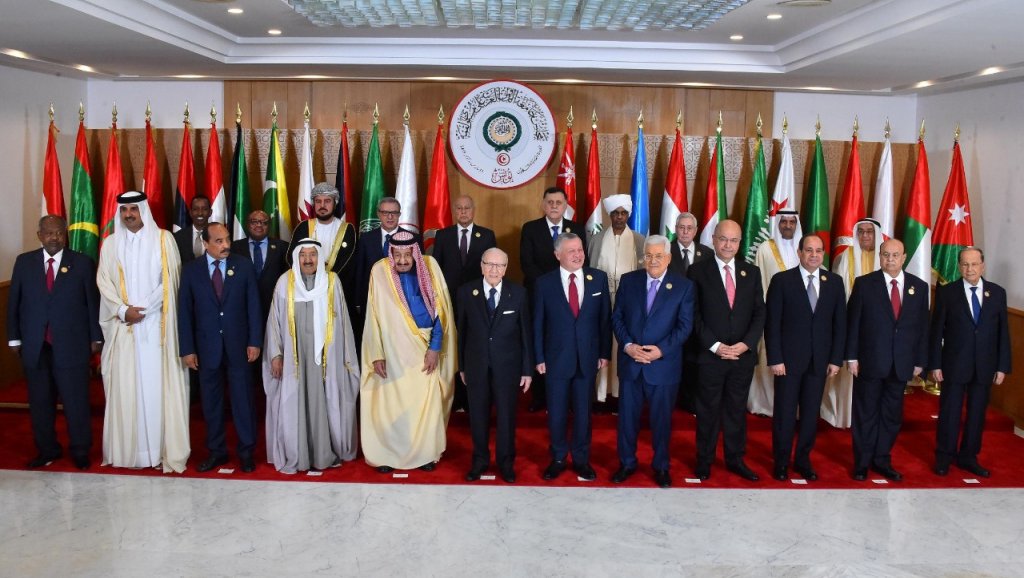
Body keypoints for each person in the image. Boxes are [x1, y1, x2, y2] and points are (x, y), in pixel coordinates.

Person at [97, 191, 190, 472]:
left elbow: (170, 280)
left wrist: (144, 309)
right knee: (127, 390)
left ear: (143, 211)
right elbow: (104, 281)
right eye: (124, 210)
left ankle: (158, 451)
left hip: (155, 327)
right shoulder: (110, 244)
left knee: (155, 390)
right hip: (123, 328)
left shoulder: (163, 239)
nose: (128, 215)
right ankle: (130, 453)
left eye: (133, 209)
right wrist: (123, 310)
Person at [7, 215, 101, 470]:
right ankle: (47, 450)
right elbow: (14, 302)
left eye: (59, 233)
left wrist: (96, 337)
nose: (54, 238)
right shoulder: (24, 262)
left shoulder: (82, 263)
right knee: (40, 403)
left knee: (76, 402)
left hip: (72, 345)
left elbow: (92, 303)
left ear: (65, 234)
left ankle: (80, 450)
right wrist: (14, 337)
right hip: (35, 346)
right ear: (39, 235)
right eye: (48, 233)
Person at [263, 239, 361, 474]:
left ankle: (323, 454)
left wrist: (345, 356)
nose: (308, 260)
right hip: (294, 361)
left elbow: (343, 322)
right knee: (295, 403)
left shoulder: (331, 282)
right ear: (296, 258)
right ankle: (299, 455)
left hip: (325, 360)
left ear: (320, 257)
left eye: (312, 255)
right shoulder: (285, 282)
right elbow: (274, 323)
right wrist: (276, 354)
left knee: (323, 403)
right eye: (303, 255)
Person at [360, 231, 455, 472]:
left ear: (415, 254)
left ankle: (425, 454)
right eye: (397, 255)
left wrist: (435, 348)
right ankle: (388, 455)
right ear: (390, 254)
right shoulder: (379, 271)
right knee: (391, 404)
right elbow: (373, 315)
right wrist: (376, 353)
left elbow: (441, 314)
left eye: (407, 255)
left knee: (425, 404)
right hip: (391, 351)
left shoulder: (430, 268)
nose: (402, 260)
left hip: (424, 349)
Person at [610, 235, 694, 488]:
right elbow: (617, 318)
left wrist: (661, 351)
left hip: (663, 366)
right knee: (627, 420)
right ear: (643, 257)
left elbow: (685, 326)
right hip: (632, 363)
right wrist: (628, 346)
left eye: (658, 256)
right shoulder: (629, 281)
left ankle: (661, 466)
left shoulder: (683, 286)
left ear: (668, 258)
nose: (653, 260)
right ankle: (626, 463)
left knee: (661, 421)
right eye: (648, 255)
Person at [178, 222, 263, 473]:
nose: (225, 245)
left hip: (239, 346)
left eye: (227, 239)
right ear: (205, 243)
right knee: (211, 403)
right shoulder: (191, 270)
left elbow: (254, 306)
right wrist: (187, 349)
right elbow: (185, 312)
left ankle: (246, 452)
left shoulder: (243, 265)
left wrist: (254, 341)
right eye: (218, 241)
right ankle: (217, 452)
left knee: (243, 401)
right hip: (206, 348)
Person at [687, 219, 766, 482]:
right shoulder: (697, 271)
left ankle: (735, 459)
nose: (728, 245)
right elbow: (694, 314)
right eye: (723, 239)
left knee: (736, 411)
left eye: (733, 240)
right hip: (710, 356)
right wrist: (716, 346)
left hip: (741, 357)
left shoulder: (751, 272)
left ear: (740, 242)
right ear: (713, 239)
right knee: (707, 412)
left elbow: (759, 313)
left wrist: (746, 344)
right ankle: (704, 461)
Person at [764, 234, 846, 482]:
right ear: (799, 253)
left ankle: (802, 460)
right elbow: (772, 324)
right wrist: (775, 358)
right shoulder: (782, 281)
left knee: (811, 415)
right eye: (809, 250)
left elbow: (840, 325)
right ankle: (781, 462)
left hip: (819, 362)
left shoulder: (834, 282)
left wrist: (836, 359)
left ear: (823, 254)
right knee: (785, 414)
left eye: (818, 251)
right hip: (787, 363)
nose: (814, 255)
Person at [847, 238, 929, 481]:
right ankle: (862, 462)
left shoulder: (919, 287)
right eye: (886, 255)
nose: (890, 259)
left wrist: (920, 360)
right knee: (866, 414)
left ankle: (881, 459)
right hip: (870, 361)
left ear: (904, 258)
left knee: (892, 416)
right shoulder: (864, 284)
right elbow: (853, 323)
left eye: (895, 255)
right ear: (880, 256)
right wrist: (851, 356)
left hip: (901, 363)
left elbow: (923, 327)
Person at [532, 232, 611, 481]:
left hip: (588, 358)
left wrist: (604, 353)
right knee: (556, 413)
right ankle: (557, 458)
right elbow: (538, 324)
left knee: (583, 413)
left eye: (580, 250)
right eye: (571, 251)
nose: (578, 255)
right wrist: (539, 357)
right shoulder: (544, 283)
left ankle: (581, 459)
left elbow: (605, 320)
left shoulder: (598, 279)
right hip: (555, 360)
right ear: (558, 255)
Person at [928, 247, 1011, 478]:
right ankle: (944, 457)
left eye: (974, 264)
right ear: (958, 266)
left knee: (977, 415)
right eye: (965, 264)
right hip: (953, 364)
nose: (970, 269)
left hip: (985, 365)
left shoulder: (997, 293)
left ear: (982, 266)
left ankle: (968, 457)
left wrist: (1002, 366)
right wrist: (935, 364)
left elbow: (1003, 332)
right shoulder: (947, 293)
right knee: (950, 413)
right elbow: (936, 331)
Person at [456, 248, 532, 483]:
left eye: (499, 266)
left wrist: (527, 370)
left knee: (506, 417)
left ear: (506, 269)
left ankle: (506, 463)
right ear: (481, 265)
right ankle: (479, 461)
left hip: (508, 367)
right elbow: (461, 332)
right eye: (489, 264)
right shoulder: (466, 292)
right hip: (476, 366)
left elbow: (526, 334)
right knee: (478, 416)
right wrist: (462, 366)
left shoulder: (518, 293)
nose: (494, 270)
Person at [519, 186, 585, 412]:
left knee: (566, 342)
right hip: (539, 295)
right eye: (550, 202)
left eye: (559, 202)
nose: (554, 206)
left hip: (570, 297)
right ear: (543, 204)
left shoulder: (577, 229)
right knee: (540, 342)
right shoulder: (530, 228)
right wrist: (551, 286)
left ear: (565, 205)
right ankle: (540, 397)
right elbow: (526, 263)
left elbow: (581, 260)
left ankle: (568, 396)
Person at [431, 194, 497, 413]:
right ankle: (455, 397)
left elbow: (492, 271)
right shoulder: (443, 235)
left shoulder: (486, 235)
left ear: (473, 210)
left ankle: (473, 398)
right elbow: (436, 270)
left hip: (477, 303)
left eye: (467, 208)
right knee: (453, 348)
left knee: (474, 348)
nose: (463, 212)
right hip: (449, 302)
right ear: (454, 210)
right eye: (459, 208)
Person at [822, 218, 883, 429]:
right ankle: (845, 415)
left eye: (869, 232)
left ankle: (871, 417)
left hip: (878, 329)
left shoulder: (885, 258)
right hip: (851, 323)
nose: (865, 236)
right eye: (861, 232)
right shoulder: (845, 257)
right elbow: (838, 295)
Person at [588, 194, 645, 413]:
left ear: (628, 215)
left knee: (623, 343)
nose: (619, 217)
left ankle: (621, 394)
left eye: (623, 213)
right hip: (601, 301)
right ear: (609, 215)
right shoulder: (597, 239)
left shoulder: (639, 240)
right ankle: (600, 394)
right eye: (615, 213)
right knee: (601, 342)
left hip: (628, 304)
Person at [748, 209, 802, 417]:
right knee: (769, 358)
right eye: (783, 221)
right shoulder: (765, 248)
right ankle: (766, 404)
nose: (787, 225)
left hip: (799, 319)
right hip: (772, 316)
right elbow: (759, 283)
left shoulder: (805, 249)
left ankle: (795, 407)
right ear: (777, 224)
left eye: (791, 222)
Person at [666, 212, 712, 414]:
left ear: (696, 231)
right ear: (676, 229)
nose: (685, 231)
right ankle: (671, 399)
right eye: (681, 227)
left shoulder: (707, 253)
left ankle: (690, 400)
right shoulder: (665, 251)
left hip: (698, 316)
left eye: (689, 228)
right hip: (672, 316)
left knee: (694, 360)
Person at [353, 197, 421, 331]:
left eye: (394, 213)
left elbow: (419, 272)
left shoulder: (413, 239)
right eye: (385, 213)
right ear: (378, 214)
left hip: (404, 301)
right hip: (373, 300)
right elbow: (360, 271)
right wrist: (357, 301)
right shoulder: (366, 239)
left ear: (399, 214)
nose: (390, 217)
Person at [288, 183, 357, 312]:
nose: (322, 205)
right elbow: (291, 257)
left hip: (336, 290)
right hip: (306, 289)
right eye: (318, 201)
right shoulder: (303, 227)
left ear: (335, 203)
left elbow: (349, 263)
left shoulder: (347, 229)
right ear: (314, 204)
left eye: (327, 201)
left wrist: (328, 281)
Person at [232, 209, 288, 321]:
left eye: (264, 222)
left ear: (269, 226)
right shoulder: (235, 248)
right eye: (254, 222)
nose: (259, 225)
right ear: (248, 224)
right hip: (243, 307)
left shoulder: (283, 247)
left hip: (273, 307)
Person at [173, 195, 212, 264]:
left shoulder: (218, 235)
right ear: (190, 213)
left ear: (210, 212)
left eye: (204, 209)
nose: (200, 213)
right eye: (195, 209)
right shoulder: (178, 237)